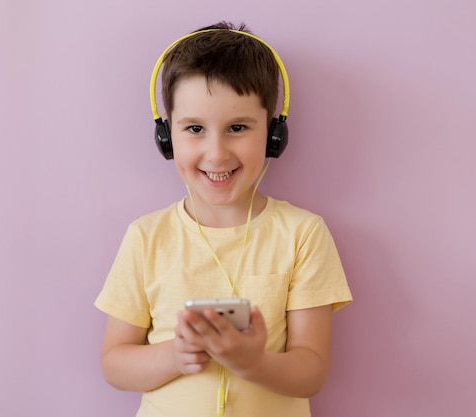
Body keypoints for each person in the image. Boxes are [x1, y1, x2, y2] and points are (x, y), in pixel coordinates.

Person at [95, 21, 352, 417]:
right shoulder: (146, 236)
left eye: (237, 128)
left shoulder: (303, 234)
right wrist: (176, 355)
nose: (216, 154)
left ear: (272, 135)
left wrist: (254, 362)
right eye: (195, 129)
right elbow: (114, 362)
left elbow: (312, 371)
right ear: (166, 138)